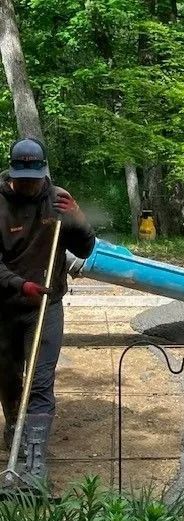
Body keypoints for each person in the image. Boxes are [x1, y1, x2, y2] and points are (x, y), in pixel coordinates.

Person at [0, 138, 95, 483]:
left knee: (40, 381)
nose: (29, 184)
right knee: (8, 378)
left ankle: (36, 461)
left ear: (43, 172)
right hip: (5, 306)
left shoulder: (57, 200)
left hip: (46, 305)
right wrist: (18, 284)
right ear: (12, 172)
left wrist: (78, 218)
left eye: (34, 177)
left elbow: (84, 249)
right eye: (22, 177)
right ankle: (14, 428)